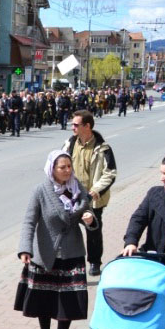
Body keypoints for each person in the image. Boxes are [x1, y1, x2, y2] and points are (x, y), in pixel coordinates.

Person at [16, 150, 97, 329]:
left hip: (72, 252)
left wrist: (89, 220)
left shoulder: (78, 189)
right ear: (52, 168)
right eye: (62, 167)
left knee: (68, 300)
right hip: (45, 252)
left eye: (69, 167)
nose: (67, 171)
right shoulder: (40, 191)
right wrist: (25, 249)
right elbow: (29, 222)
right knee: (44, 298)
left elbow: (88, 216)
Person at [62, 110, 117, 276]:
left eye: (76, 125)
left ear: (87, 126)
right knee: (66, 229)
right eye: (72, 124)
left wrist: (95, 191)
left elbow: (110, 173)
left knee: (93, 231)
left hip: (92, 199)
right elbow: (59, 164)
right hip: (71, 197)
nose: (72, 127)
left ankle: (94, 262)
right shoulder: (69, 144)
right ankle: (68, 262)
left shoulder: (103, 148)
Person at [121, 154, 165, 260]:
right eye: (161, 173)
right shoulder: (155, 194)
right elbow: (138, 219)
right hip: (156, 258)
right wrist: (131, 242)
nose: (161, 178)